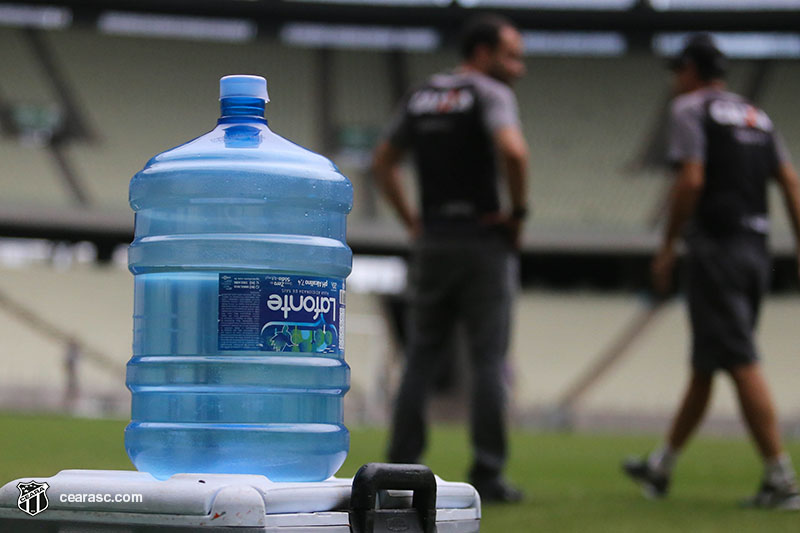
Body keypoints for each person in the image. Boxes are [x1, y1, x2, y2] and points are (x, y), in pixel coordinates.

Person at [623, 33, 800, 510]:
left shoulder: (689, 110)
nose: (675, 82)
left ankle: (781, 480)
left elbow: (692, 178)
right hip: (755, 250)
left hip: (716, 250)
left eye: (678, 72)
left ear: (691, 71)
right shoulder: (757, 115)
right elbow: (789, 181)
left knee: (740, 359)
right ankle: (661, 467)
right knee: (707, 364)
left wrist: (667, 245)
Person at [372, 14, 529, 503]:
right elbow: (514, 152)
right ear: (481, 53)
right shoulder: (490, 94)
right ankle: (488, 472)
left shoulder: (421, 95)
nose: (519, 69)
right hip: (483, 241)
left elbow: (382, 162)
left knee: (419, 357)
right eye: (510, 56)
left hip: (433, 240)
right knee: (487, 360)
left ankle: (398, 467)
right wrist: (517, 214)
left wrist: (413, 221)